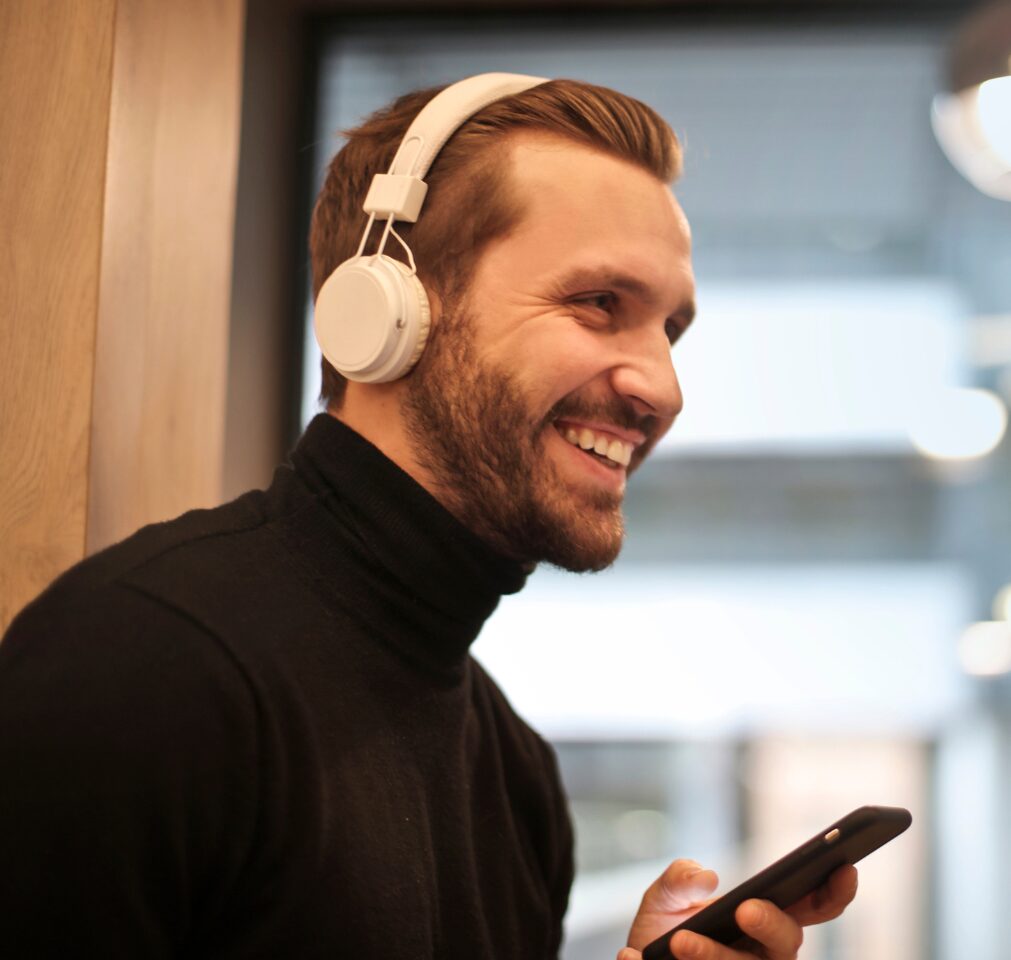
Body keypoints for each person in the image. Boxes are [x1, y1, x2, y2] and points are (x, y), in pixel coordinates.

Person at [0, 75, 856, 958]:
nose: (663, 390)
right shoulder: (146, 660)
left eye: (668, 330)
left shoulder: (515, 776)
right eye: (598, 303)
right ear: (384, 310)